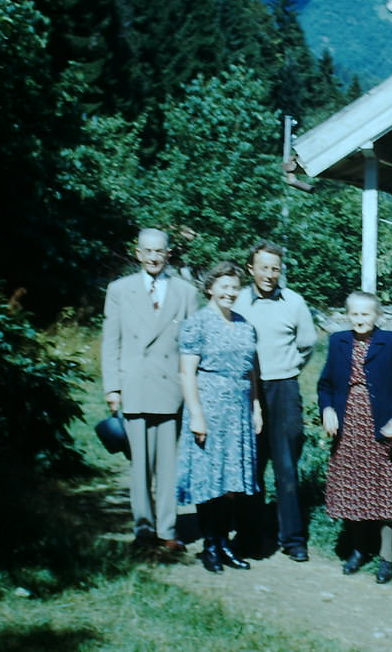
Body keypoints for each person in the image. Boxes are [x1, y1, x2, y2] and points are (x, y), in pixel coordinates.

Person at [101, 228, 197, 552]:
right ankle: (143, 529)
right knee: (139, 465)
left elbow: (191, 345)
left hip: (171, 389)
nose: (154, 257)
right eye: (148, 251)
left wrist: (191, 390)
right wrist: (112, 387)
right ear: (137, 253)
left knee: (168, 466)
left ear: (168, 254)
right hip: (134, 388)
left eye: (160, 251)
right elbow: (110, 342)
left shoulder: (185, 292)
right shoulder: (119, 290)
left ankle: (168, 529)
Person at [317, 290, 392, 584]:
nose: (360, 320)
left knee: (384, 489)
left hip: (383, 425)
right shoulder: (338, 342)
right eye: (355, 314)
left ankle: (386, 556)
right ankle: (359, 549)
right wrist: (327, 409)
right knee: (355, 488)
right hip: (349, 425)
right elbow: (325, 385)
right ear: (348, 315)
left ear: (377, 316)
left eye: (366, 314)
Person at [233, 241, 317, 561]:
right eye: (263, 268)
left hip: (284, 388)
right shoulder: (238, 301)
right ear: (251, 269)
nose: (269, 275)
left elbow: (307, 344)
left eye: (275, 268)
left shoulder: (294, 302)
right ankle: (250, 538)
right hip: (247, 391)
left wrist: (288, 368)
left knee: (286, 466)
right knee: (251, 466)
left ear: (281, 271)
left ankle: (293, 539)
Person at [177, 262, 262, 573]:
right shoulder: (196, 324)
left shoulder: (244, 324)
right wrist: (197, 415)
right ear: (210, 288)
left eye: (234, 287)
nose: (230, 292)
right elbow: (187, 373)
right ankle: (210, 545)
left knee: (232, 482)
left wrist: (256, 406)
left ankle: (225, 543)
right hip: (209, 406)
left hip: (238, 410)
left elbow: (251, 370)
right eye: (224, 286)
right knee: (209, 478)